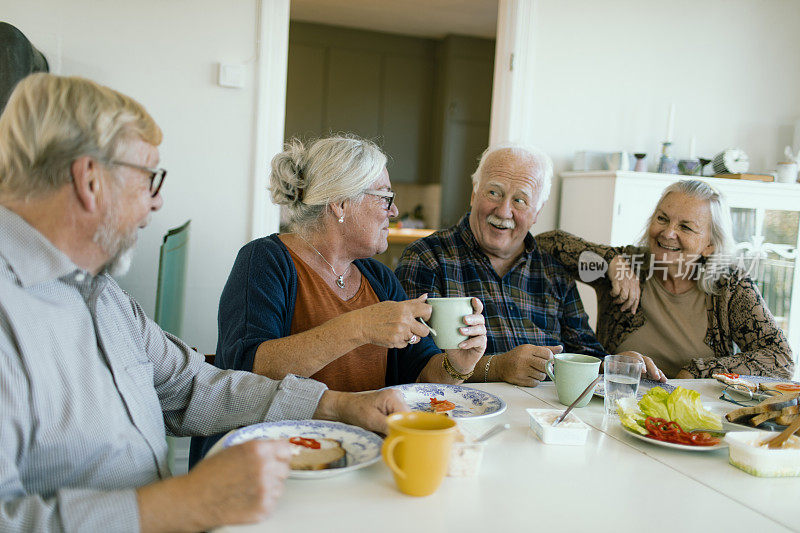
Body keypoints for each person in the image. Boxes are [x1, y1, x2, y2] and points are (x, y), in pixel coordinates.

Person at [0, 73, 408, 533]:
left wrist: (335, 407)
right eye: (148, 178)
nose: (157, 202)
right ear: (90, 180)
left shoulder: (100, 294)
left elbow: (192, 386)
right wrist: (186, 502)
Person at [189, 136, 487, 465]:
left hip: (362, 459)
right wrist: (358, 327)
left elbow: (420, 377)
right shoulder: (265, 260)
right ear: (340, 203)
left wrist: (458, 363)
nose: (395, 210)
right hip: (276, 463)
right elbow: (245, 373)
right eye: (386, 197)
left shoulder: (379, 278)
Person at [396, 144, 665, 387]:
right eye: (493, 192)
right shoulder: (427, 258)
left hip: (547, 420)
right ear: (473, 194)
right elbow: (409, 364)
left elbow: (585, 352)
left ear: (537, 211)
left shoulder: (553, 271)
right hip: (459, 416)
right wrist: (498, 367)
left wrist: (614, 363)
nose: (503, 211)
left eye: (520, 200)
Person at [535, 179, 794, 379]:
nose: (668, 233)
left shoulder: (730, 285)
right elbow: (545, 243)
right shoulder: (626, 263)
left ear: (710, 246)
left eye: (685, 227)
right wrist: (610, 260)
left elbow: (781, 359)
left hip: (695, 412)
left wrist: (698, 371)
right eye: (662, 218)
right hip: (617, 402)